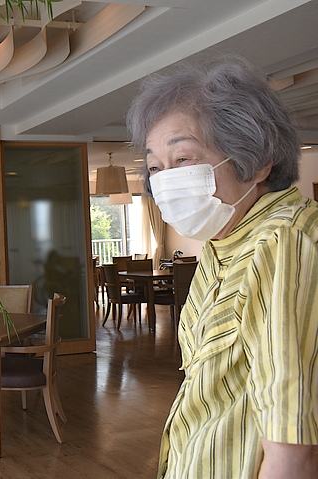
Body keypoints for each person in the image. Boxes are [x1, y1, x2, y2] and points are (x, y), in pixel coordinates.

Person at [127, 57, 318, 478]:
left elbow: (294, 455)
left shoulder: (282, 242)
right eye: (155, 167)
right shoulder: (221, 244)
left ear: (258, 161)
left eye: (183, 159)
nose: (164, 181)